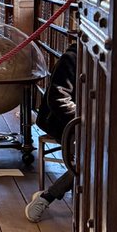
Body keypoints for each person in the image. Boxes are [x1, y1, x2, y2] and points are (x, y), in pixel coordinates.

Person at [25, 44, 76, 222]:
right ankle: (47, 197)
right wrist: (84, 121)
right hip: (62, 122)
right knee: (90, 159)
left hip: (92, 124)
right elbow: (58, 100)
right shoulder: (71, 59)